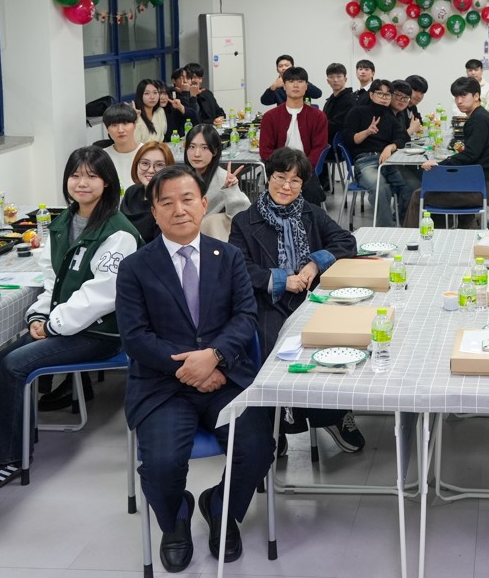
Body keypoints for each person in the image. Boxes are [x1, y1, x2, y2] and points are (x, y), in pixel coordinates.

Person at [115, 165, 273, 570]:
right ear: (154, 211)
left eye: (187, 199)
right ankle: (177, 517)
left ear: (204, 204)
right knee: (163, 463)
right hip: (163, 385)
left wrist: (215, 357)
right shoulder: (136, 267)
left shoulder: (229, 257)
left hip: (225, 377)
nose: (178, 209)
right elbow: (135, 336)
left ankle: (220, 506)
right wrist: (189, 367)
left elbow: (245, 317)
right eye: (166, 202)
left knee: (258, 444)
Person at [0, 146, 139, 494]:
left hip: (102, 333)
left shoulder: (118, 232)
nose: (81, 183)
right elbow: (54, 281)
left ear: (107, 182)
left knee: (14, 366)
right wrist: (39, 314)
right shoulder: (65, 223)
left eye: (91, 175)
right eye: (75, 174)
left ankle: (9, 459)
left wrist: (53, 325)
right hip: (66, 324)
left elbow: (101, 296)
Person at [228, 148, 366, 453]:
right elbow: (238, 267)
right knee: (271, 345)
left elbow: (347, 240)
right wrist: (281, 279)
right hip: (268, 300)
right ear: (268, 177)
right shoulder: (244, 221)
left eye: (295, 180)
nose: (286, 186)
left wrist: (314, 263)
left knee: (332, 344)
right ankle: (274, 422)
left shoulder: (311, 213)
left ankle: (332, 414)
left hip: (311, 299)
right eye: (280, 177)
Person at [418, 76, 489, 226]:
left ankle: (417, 242)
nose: (459, 101)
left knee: (420, 196)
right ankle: (448, 238)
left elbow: (471, 154)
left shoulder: (478, 120)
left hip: (483, 187)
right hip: (480, 183)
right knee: (437, 189)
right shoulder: (479, 116)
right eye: (456, 96)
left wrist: (440, 164)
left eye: (463, 95)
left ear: (476, 96)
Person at [257, 66, 328, 205]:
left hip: (306, 170)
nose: (296, 85)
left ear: (306, 86)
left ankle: (310, 226)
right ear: (284, 85)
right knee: (274, 195)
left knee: (312, 193)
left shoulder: (318, 116)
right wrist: (283, 170)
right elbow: (265, 150)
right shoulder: (270, 117)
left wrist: (301, 169)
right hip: (279, 170)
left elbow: (319, 148)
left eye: (300, 81)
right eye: (291, 81)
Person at [345, 80, 411, 227]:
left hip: (388, 160)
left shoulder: (391, 118)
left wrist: (390, 147)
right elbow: (349, 139)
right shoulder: (358, 112)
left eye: (388, 95)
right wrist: (367, 132)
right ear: (371, 94)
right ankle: (387, 231)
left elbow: (404, 137)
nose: (384, 97)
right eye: (380, 93)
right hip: (365, 161)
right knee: (380, 187)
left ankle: (405, 225)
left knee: (411, 186)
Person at [183, 125, 249, 227]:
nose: (196, 154)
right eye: (192, 147)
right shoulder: (182, 177)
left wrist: (231, 190)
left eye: (204, 147)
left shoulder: (223, 178)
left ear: (215, 151)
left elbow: (243, 215)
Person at [121, 141, 174, 244]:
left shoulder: (170, 201)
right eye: (145, 163)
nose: (151, 170)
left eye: (159, 165)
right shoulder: (131, 193)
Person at [101, 103, 141, 191]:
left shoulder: (147, 152)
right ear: (107, 129)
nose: (120, 130)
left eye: (125, 123)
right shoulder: (102, 156)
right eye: (114, 125)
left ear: (134, 125)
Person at [259, 54, 324, 107]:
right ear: (277, 70)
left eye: (286, 65)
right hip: (284, 117)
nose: (284, 68)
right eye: (280, 66)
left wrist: (301, 81)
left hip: (303, 115)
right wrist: (274, 86)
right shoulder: (277, 86)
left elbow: (318, 94)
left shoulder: (301, 82)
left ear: (292, 67)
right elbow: (264, 101)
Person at [321, 62, 356, 144]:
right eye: (331, 77)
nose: (335, 80)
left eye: (339, 76)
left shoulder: (349, 99)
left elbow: (337, 124)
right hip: (327, 139)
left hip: (339, 143)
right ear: (327, 81)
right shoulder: (329, 100)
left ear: (345, 79)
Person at [133, 78, 172, 144]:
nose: (152, 97)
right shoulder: (135, 114)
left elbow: (162, 136)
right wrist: (135, 120)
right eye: (147, 93)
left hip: (158, 151)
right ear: (140, 95)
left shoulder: (160, 111)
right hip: (140, 152)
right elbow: (135, 141)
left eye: (155, 93)